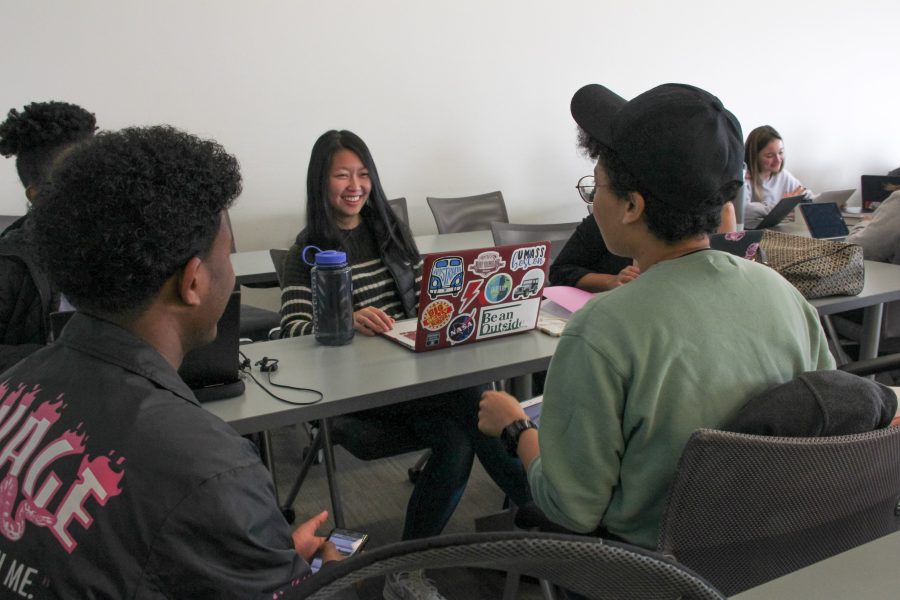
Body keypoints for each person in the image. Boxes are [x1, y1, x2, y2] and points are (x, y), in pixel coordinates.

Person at [478, 83, 835, 551]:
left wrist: (517, 428)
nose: (593, 199)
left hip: (649, 569)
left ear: (632, 205)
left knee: (507, 419)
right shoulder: (784, 296)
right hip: (774, 551)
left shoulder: (602, 329)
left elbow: (572, 509)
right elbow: (828, 433)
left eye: (596, 185)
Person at [0, 125, 344, 598]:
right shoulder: (209, 469)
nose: (230, 272)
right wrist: (314, 580)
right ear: (193, 282)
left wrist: (253, 555)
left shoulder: (12, 387)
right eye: (226, 256)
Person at [279, 129, 530, 600]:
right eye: (341, 175)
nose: (355, 185)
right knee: (477, 409)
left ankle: (406, 567)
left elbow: (424, 304)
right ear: (321, 183)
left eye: (362, 174)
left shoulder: (390, 232)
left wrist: (449, 308)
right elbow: (289, 331)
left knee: (463, 430)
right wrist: (343, 317)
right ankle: (547, 520)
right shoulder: (307, 251)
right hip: (361, 397)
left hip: (416, 377)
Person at [0, 101, 97, 371]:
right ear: (36, 194)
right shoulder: (9, 264)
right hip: (43, 400)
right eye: (75, 179)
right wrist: (64, 359)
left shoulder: (124, 238)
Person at [743, 125, 810, 228]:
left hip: (776, 232)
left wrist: (832, 203)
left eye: (780, 152)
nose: (778, 160)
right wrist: (782, 206)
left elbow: (806, 196)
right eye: (769, 156)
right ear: (754, 156)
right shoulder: (743, 178)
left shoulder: (783, 176)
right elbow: (744, 210)